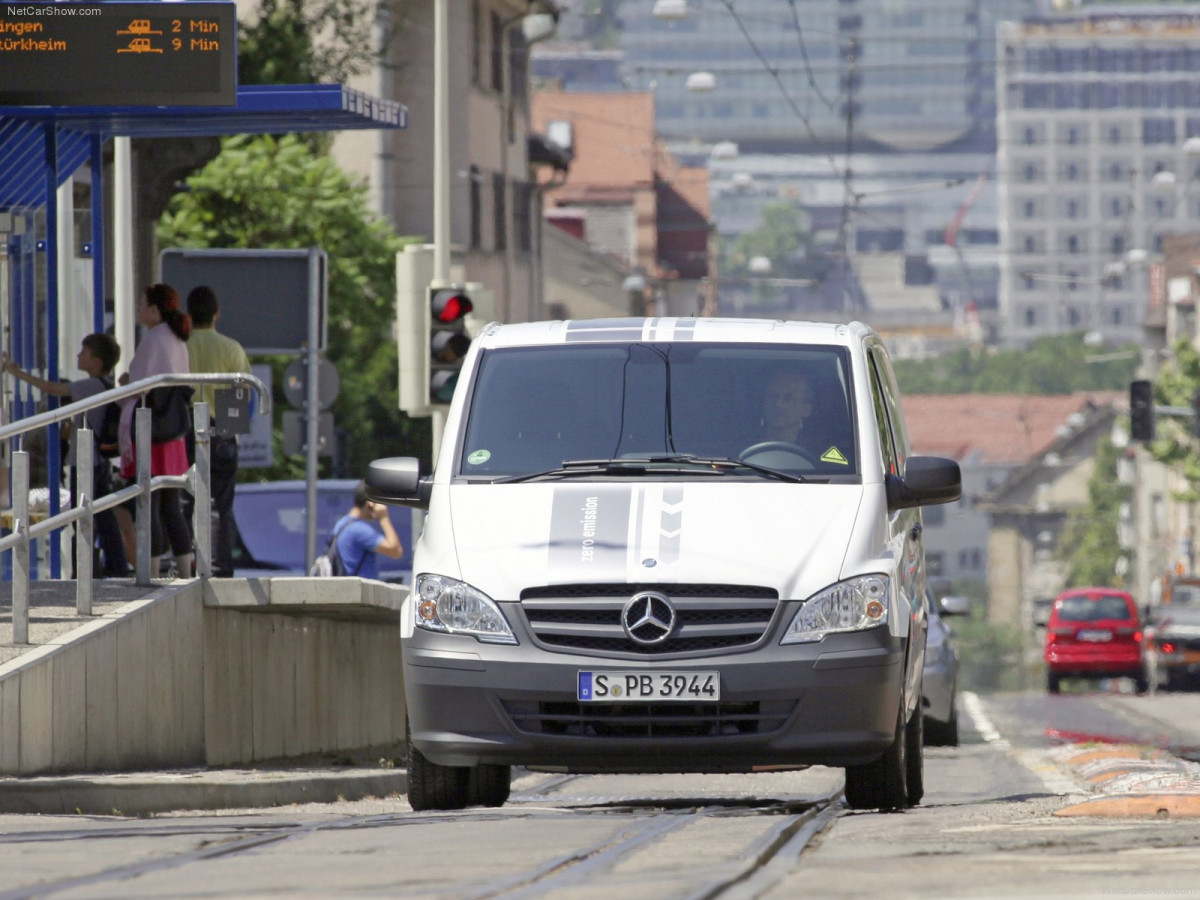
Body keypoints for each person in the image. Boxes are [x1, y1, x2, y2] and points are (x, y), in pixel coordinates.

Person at [3, 334, 129, 576]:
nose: (78, 356)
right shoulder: (102, 385)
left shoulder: (91, 385)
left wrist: (17, 374)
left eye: (84, 353)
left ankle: (92, 571)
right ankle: (109, 567)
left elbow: (53, 389)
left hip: (87, 463)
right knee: (97, 516)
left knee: (85, 517)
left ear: (97, 361)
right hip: (95, 462)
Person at [119, 283, 194, 579]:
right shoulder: (178, 340)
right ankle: (186, 571)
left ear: (154, 309)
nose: (138, 308)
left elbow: (137, 384)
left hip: (150, 430)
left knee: (147, 503)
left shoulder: (153, 339)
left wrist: (125, 381)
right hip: (173, 433)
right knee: (171, 506)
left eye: (142, 303)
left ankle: (149, 572)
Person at [184, 284, 251, 577]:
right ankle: (219, 568)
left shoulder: (180, 346)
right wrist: (229, 432)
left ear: (188, 314)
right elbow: (242, 394)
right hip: (221, 428)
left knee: (183, 499)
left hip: (184, 430)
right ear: (216, 314)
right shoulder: (230, 348)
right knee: (220, 505)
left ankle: (183, 564)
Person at [331, 481, 404, 580]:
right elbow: (396, 551)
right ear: (370, 504)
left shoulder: (341, 524)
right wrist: (383, 517)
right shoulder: (359, 530)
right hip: (360, 591)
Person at [757, 369, 814, 444]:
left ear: (806, 410)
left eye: (789, 398)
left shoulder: (818, 451)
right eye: (772, 396)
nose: (778, 404)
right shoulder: (739, 448)